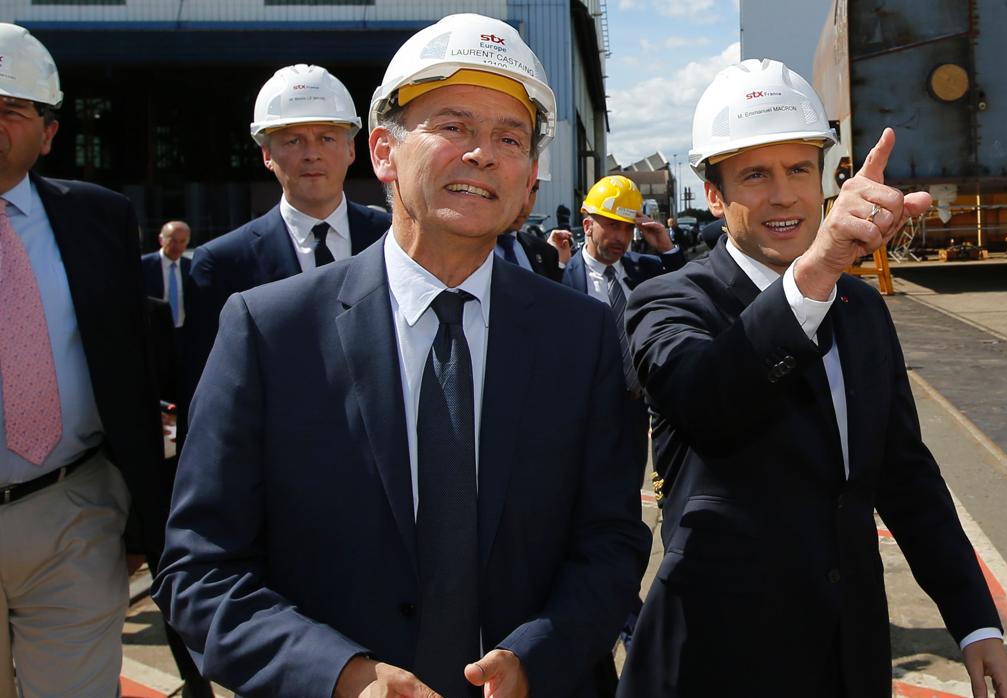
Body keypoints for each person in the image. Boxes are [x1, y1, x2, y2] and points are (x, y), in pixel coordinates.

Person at [154, 14, 650, 698]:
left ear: (531, 173)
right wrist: (340, 675)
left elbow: (612, 542)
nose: (482, 154)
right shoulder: (270, 333)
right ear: (384, 152)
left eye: (509, 137)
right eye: (453, 127)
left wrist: (539, 654)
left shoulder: (583, 335)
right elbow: (200, 573)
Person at [617, 59, 1007, 698]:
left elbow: (905, 473)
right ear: (713, 195)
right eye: (755, 174)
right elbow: (706, 399)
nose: (784, 195)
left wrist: (973, 621)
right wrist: (818, 272)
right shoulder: (669, 302)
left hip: (848, 657)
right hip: (716, 661)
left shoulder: (863, 314)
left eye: (800, 169)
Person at [0, 24, 171, 697]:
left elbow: (132, 367)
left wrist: (139, 516)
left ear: (47, 133)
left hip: (72, 507)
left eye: (10, 109)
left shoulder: (100, 219)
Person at [184, 63, 390, 408]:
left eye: (326, 138)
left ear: (352, 150)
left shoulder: (395, 239)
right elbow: (208, 396)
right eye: (293, 140)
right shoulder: (222, 263)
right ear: (267, 155)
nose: (312, 153)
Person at [562, 175, 686, 453]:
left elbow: (686, 292)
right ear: (587, 226)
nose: (621, 237)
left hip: (636, 411)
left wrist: (667, 248)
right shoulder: (562, 278)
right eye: (612, 225)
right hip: (582, 411)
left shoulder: (646, 269)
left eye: (628, 229)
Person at [495, 178, 564, 281]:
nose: (525, 203)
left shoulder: (546, 253)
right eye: (515, 188)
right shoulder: (466, 255)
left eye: (533, 189)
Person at [142, 220, 191, 328]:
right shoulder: (143, 265)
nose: (177, 246)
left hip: (184, 330)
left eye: (182, 241)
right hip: (154, 329)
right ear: (161, 240)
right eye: (172, 241)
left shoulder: (190, 266)